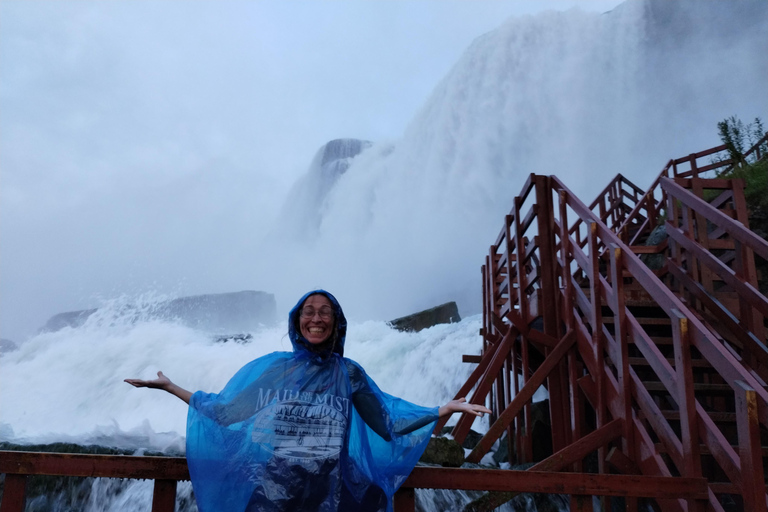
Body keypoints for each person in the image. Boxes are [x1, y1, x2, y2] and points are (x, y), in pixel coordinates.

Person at [126, 290, 490, 512]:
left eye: (324, 312)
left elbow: (387, 422)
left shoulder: (349, 375)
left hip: (333, 492)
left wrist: (442, 409)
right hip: (274, 492)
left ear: (336, 321)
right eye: (308, 311)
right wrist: (171, 388)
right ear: (297, 320)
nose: (316, 318)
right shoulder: (274, 371)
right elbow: (226, 412)